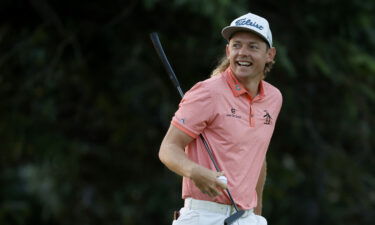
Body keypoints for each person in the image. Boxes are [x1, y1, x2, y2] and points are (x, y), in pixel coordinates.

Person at [159, 12, 282, 225]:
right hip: (203, 216)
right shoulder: (208, 92)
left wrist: (257, 213)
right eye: (236, 45)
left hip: (247, 217)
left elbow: (257, 157)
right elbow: (168, 148)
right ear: (228, 51)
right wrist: (195, 171)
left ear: (269, 54)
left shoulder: (273, 98)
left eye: (253, 46)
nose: (242, 53)